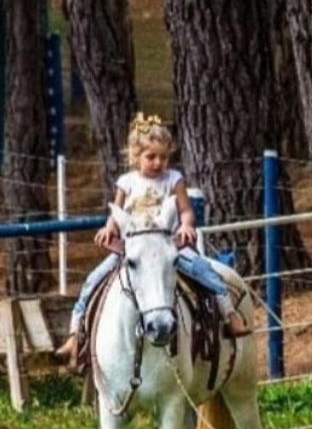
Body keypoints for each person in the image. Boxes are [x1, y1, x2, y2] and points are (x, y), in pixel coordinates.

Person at [54, 113, 249, 369]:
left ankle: (229, 315)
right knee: (93, 280)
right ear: (136, 157)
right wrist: (108, 228)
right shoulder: (127, 182)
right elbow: (117, 212)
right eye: (151, 157)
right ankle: (76, 335)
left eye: (164, 157)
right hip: (135, 249)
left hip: (168, 247)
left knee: (205, 272)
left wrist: (187, 225)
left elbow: (186, 210)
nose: (158, 163)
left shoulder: (174, 180)